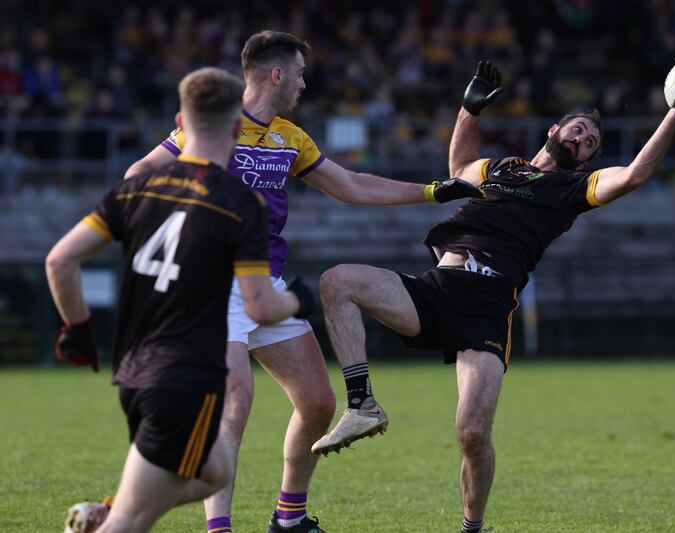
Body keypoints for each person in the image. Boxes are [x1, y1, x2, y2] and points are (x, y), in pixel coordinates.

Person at [310, 60, 675, 532]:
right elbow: (460, 169)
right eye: (577, 129)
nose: (580, 140)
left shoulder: (573, 189)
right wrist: (470, 109)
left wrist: (674, 113)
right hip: (437, 291)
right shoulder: (502, 168)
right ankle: (362, 404)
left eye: (589, 142)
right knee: (337, 281)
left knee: (471, 432)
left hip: (488, 310)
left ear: (588, 160)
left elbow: (631, 175)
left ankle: (472, 527)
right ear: (555, 129)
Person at [123, 30, 481, 533]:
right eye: (300, 73)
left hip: (266, 287)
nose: (304, 84)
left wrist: (433, 191)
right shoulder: (212, 124)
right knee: (235, 402)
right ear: (277, 74)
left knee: (318, 402)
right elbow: (140, 172)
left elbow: (352, 185)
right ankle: (218, 529)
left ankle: (288, 518)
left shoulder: (290, 137)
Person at [47, 67, 315, 533]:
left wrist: (77, 330)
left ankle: (106, 514)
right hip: (182, 379)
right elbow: (261, 308)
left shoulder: (136, 189)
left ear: (180, 120)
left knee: (214, 472)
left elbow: (59, 261)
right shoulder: (237, 202)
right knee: (133, 519)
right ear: (237, 128)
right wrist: (299, 301)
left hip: (135, 371)